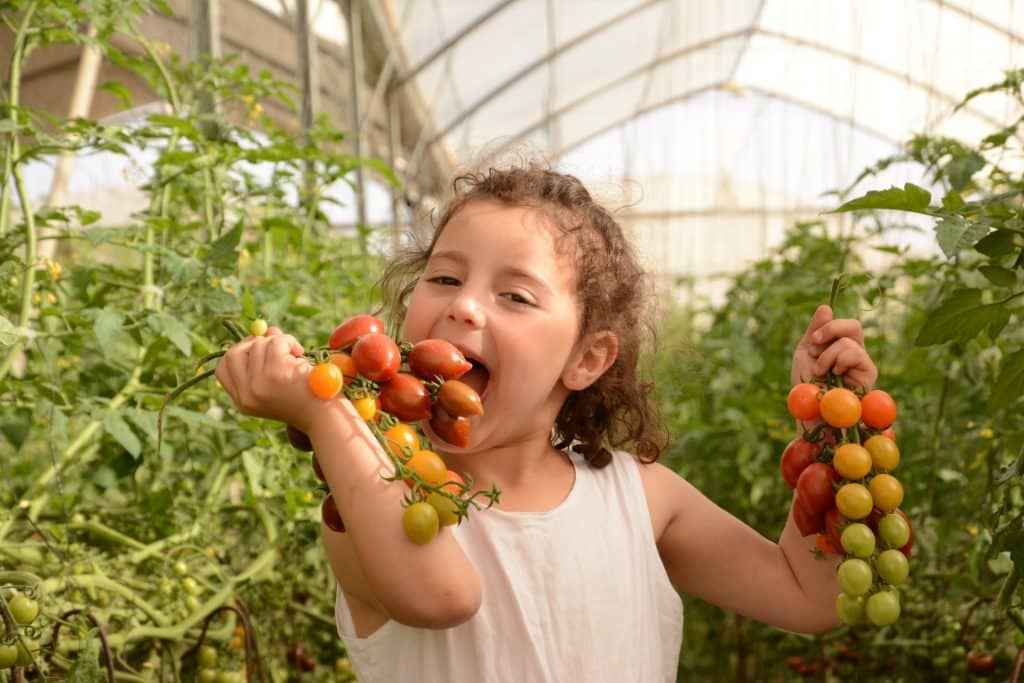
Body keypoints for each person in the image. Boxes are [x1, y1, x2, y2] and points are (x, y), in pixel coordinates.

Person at [214, 164, 878, 682]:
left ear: (587, 357)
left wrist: (827, 426)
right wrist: (326, 412)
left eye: (516, 295)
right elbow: (442, 594)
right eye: (444, 278)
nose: (466, 307)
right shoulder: (369, 504)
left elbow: (808, 596)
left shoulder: (638, 496)